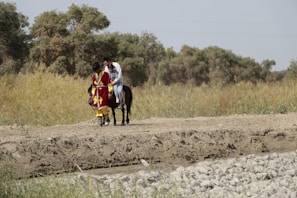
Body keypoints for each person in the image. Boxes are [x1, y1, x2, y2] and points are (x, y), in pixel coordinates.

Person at [89, 62, 112, 126]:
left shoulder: (105, 74)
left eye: (97, 69)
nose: (96, 71)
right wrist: (93, 94)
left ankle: (106, 117)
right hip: (97, 92)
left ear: (99, 68)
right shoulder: (94, 76)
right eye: (95, 70)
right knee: (96, 106)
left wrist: (110, 92)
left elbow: (109, 83)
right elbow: (93, 85)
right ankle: (99, 119)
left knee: (103, 105)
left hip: (104, 91)